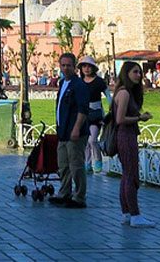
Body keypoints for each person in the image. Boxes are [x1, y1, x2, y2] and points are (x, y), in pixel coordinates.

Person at [114, 61, 155, 227]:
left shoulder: (125, 92)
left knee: (126, 175)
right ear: (127, 73)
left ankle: (127, 213)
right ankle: (135, 214)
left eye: (139, 72)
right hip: (126, 135)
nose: (138, 75)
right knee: (131, 176)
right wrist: (140, 118)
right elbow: (120, 119)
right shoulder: (124, 93)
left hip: (127, 135)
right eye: (135, 72)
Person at [49, 53, 89, 208]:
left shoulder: (79, 86)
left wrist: (77, 128)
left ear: (74, 67)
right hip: (63, 132)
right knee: (63, 165)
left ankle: (79, 196)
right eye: (63, 65)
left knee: (76, 165)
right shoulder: (62, 84)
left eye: (68, 65)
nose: (65, 68)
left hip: (74, 133)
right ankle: (65, 192)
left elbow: (83, 109)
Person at [78, 56, 110, 175]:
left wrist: (111, 110)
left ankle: (97, 160)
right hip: (82, 114)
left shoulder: (99, 82)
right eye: (84, 66)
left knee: (92, 140)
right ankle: (87, 163)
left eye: (89, 66)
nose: (86, 69)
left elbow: (108, 97)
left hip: (95, 114)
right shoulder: (79, 82)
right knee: (85, 141)